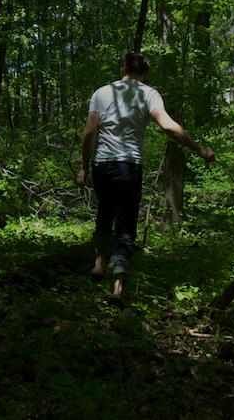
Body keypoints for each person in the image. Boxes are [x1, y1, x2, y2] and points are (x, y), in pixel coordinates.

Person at [75, 52, 215, 307]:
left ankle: (98, 264)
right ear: (144, 73)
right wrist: (199, 150)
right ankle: (117, 286)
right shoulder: (148, 94)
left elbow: (89, 132)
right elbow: (168, 126)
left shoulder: (101, 93)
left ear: (123, 68)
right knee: (126, 225)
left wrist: (84, 167)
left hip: (102, 165)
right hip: (129, 166)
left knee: (104, 213)